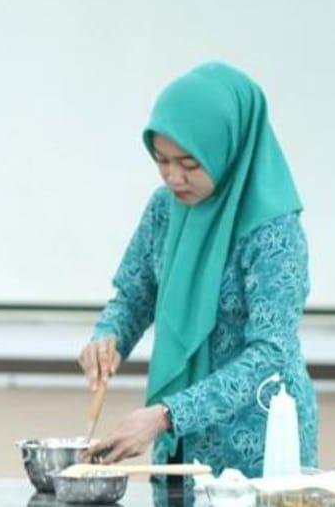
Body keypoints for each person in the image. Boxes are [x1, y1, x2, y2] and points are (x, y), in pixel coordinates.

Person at [78, 62, 318, 477]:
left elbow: (270, 353)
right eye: (161, 160)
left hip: (258, 441)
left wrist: (167, 415)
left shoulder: (273, 231)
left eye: (190, 164)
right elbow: (135, 295)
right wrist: (108, 337)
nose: (174, 177)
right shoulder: (164, 209)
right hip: (177, 438)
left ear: (229, 148)